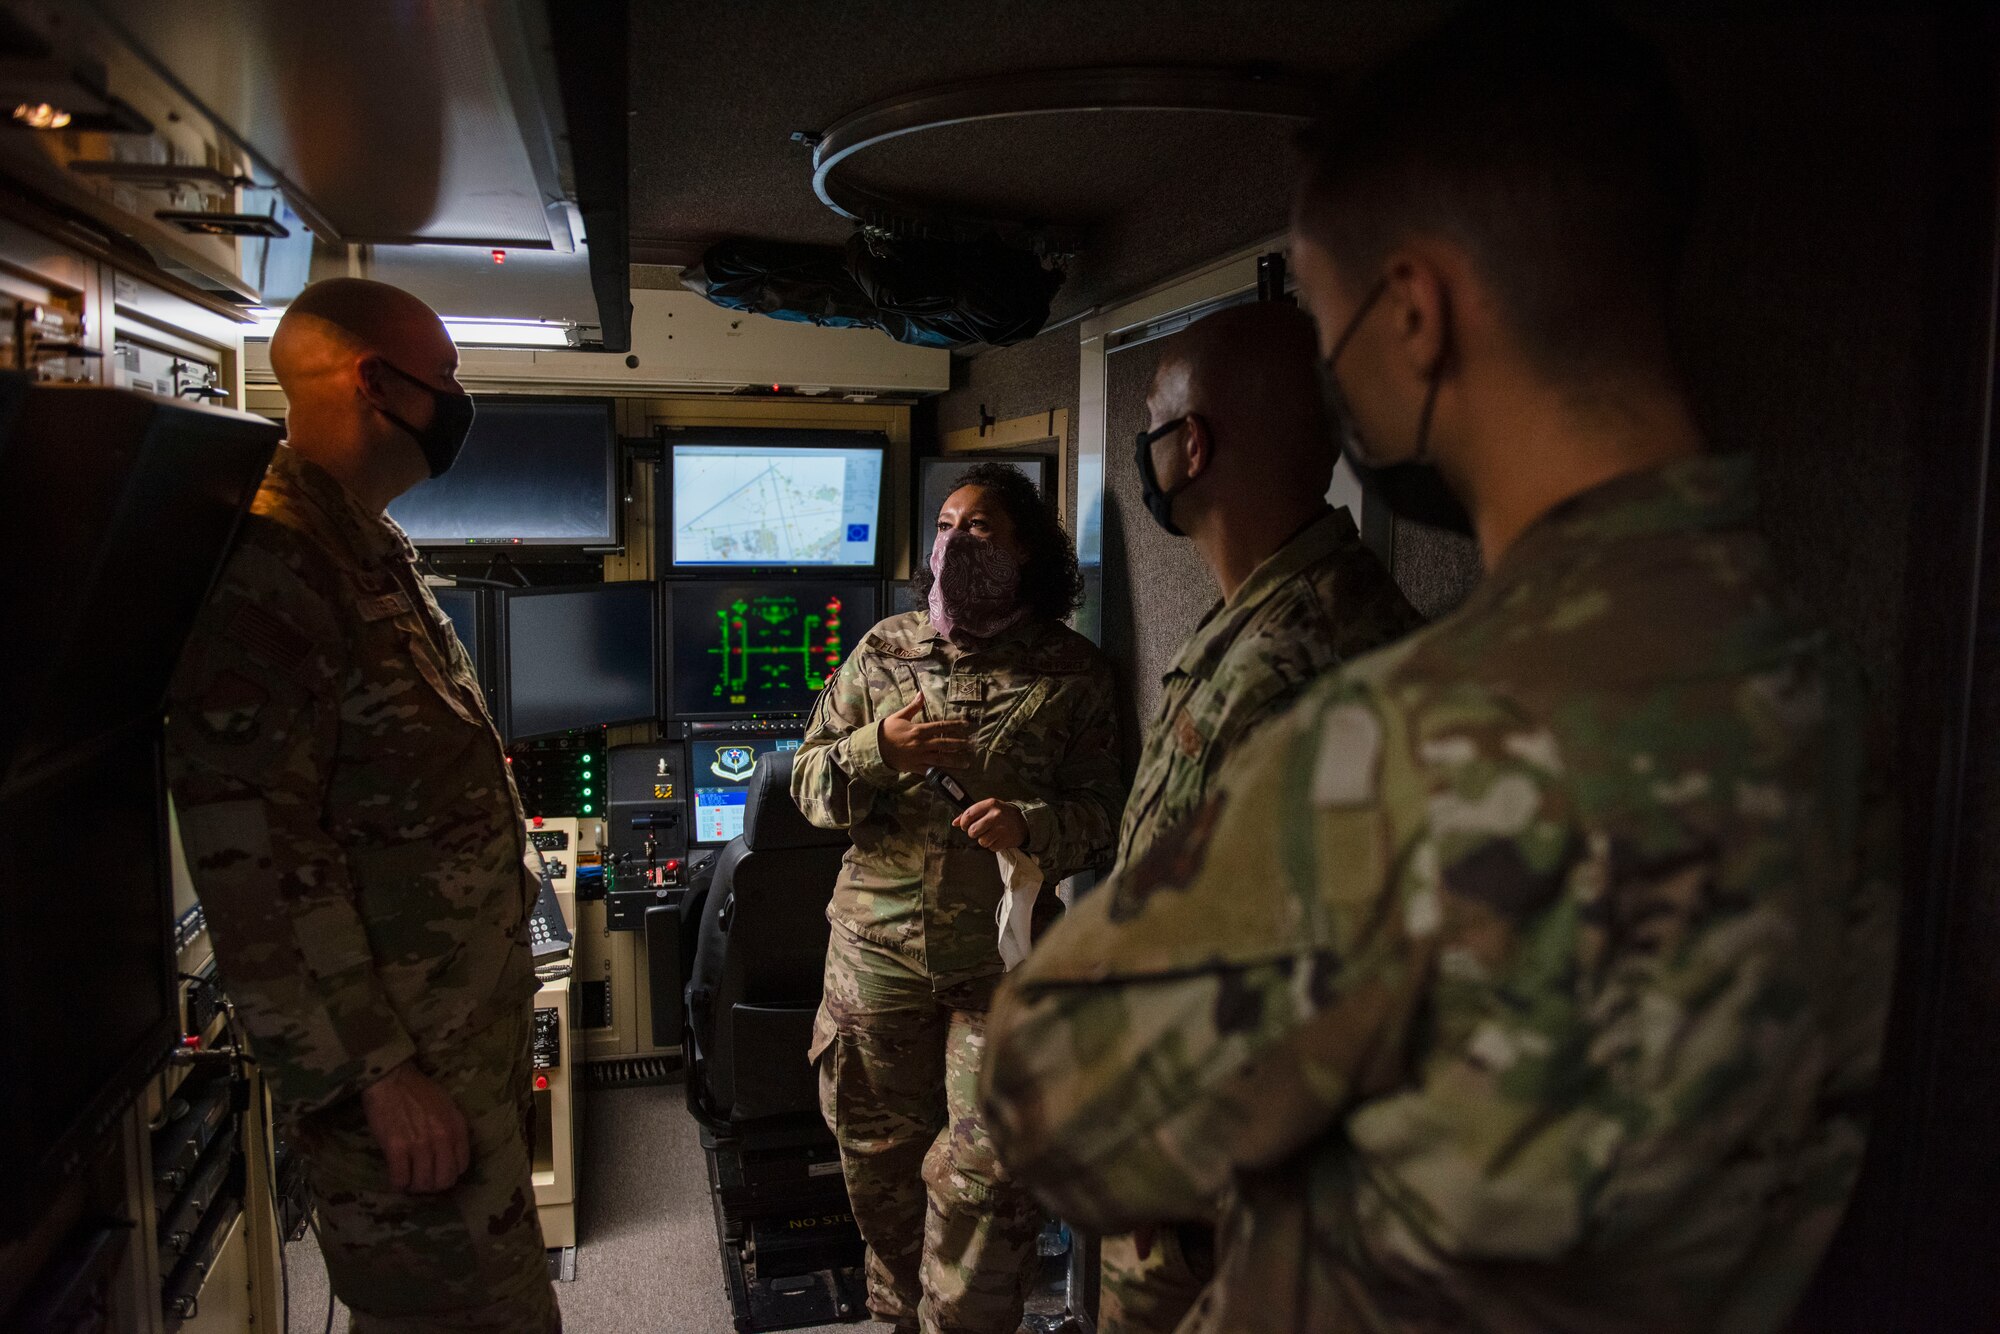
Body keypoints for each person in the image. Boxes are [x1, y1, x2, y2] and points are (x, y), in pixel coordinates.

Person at [981, 7, 1898, 1333]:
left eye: (1340, 339)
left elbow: (1049, 1105)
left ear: (1415, 314)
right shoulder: (1820, 687)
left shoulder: (1397, 748)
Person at [166, 278, 558, 1333]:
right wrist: (380, 1075)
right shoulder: (275, 567)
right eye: (449, 378)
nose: (460, 400)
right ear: (374, 383)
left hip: (455, 1044)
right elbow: (249, 855)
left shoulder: (363, 550)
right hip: (401, 1075)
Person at [1100, 300, 1422, 1334]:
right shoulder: (1275, 621)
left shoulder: (1295, 668)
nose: (1144, 450)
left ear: (1187, 446)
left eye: (1150, 421)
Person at [793, 463, 1122, 1334]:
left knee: (987, 1179)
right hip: (877, 957)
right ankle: (903, 1315)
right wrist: (877, 752)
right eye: (944, 525)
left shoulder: (1073, 670)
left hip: (1003, 967)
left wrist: (1032, 825)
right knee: (878, 1164)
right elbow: (809, 789)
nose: (954, 541)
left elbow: (1107, 820)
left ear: (1026, 551)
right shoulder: (882, 652)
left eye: (979, 527)